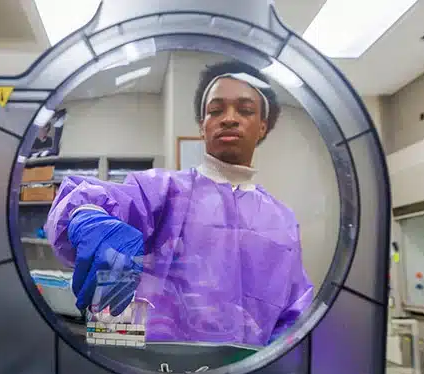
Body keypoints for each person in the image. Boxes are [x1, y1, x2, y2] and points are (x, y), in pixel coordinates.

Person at [45, 61, 313, 347]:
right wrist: (87, 216)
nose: (229, 119)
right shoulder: (162, 191)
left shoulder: (282, 220)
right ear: (202, 125)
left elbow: (294, 316)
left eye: (245, 110)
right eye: (215, 110)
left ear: (263, 126)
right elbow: (82, 201)